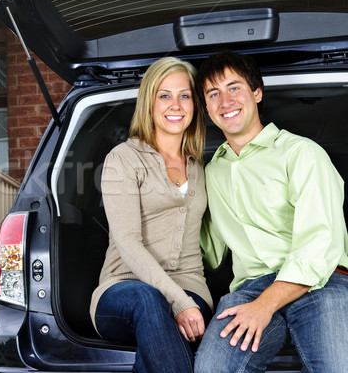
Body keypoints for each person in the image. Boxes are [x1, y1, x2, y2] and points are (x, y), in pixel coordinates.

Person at [194, 50, 348, 372]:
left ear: (257, 93)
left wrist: (264, 306)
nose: (225, 101)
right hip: (249, 289)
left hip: (323, 282)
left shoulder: (301, 154)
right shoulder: (210, 172)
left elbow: (318, 246)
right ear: (206, 108)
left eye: (234, 88)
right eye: (213, 94)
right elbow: (207, 251)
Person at [90, 57, 213, 373]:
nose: (176, 104)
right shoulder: (124, 159)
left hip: (190, 287)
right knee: (151, 301)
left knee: (157, 343)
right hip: (123, 289)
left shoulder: (198, 166)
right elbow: (127, 242)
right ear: (149, 103)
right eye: (164, 95)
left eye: (184, 95)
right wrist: (178, 302)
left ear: (195, 105)